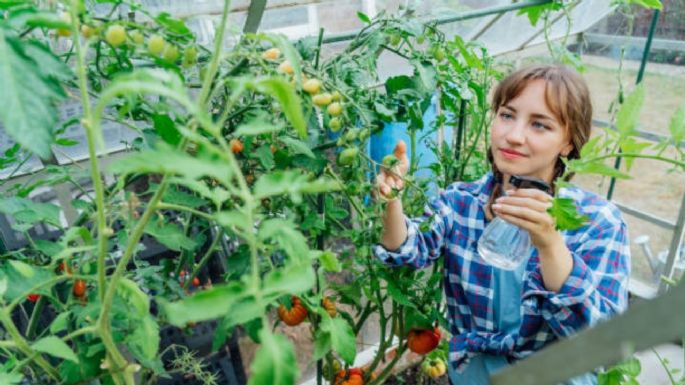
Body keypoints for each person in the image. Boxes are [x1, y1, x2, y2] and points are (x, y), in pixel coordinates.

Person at [374, 64, 630, 385]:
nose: (513, 136)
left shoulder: (596, 221)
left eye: (540, 124)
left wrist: (550, 244)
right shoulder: (461, 202)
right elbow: (408, 250)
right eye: (507, 115)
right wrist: (391, 201)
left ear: (568, 143)